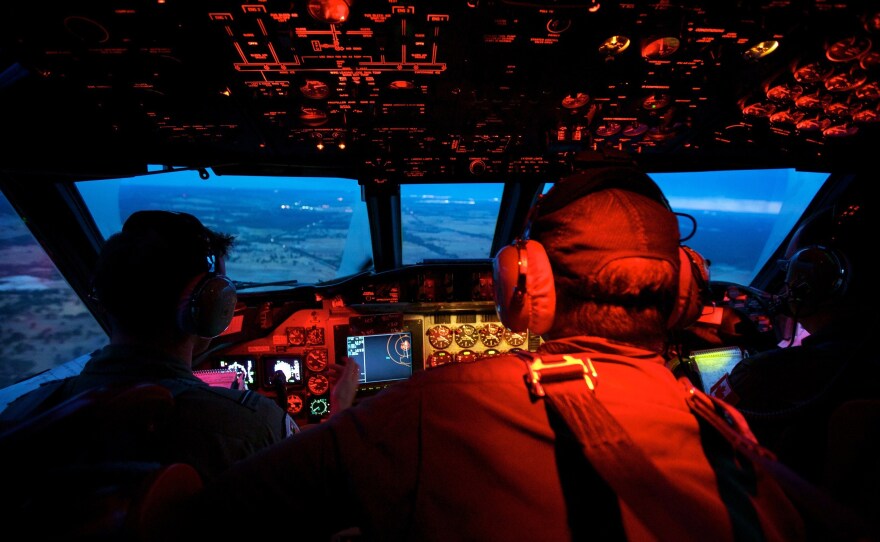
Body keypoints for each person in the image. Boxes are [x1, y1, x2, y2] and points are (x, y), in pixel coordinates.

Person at [166, 163, 815, 541]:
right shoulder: (732, 433)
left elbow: (209, 519)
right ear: (684, 291)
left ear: (523, 285)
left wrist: (340, 411)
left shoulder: (447, 403)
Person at [0, 210, 360, 483]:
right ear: (210, 308)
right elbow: (322, 490)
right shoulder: (251, 427)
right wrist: (341, 408)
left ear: (105, 298)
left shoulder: (24, 416)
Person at [726, 198, 880, 517]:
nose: (786, 284)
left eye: (790, 270)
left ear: (817, 280)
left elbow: (718, 452)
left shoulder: (768, 375)